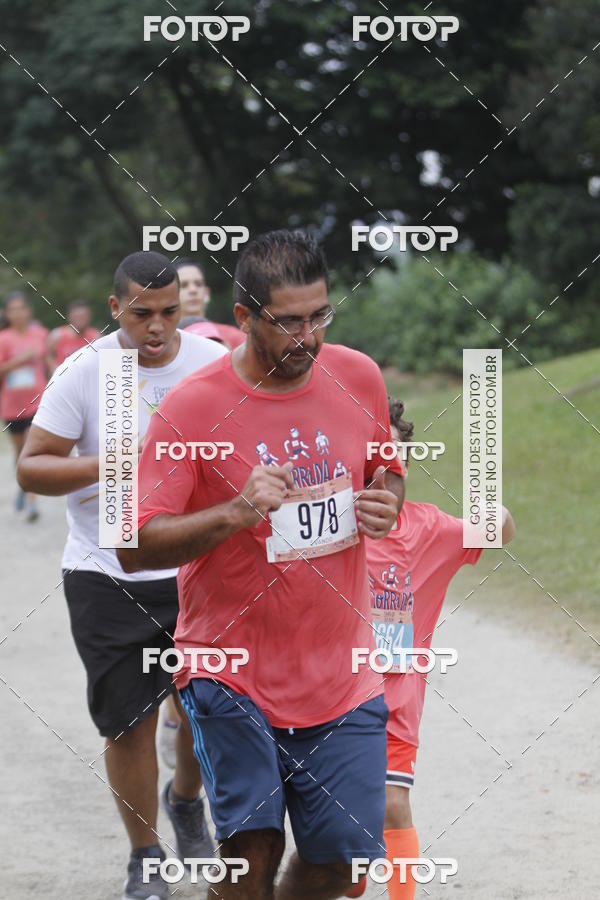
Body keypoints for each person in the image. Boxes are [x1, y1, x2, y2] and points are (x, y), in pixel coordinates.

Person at [117, 229, 406, 899]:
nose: (308, 336)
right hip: (231, 670)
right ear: (244, 317)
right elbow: (134, 541)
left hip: (341, 670)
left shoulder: (358, 373)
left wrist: (386, 501)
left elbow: (386, 468)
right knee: (250, 858)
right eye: (289, 321)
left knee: (340, 866)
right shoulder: (194, 405)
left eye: (320, 315)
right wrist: (236, 512)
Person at [17, 252, 228, 900]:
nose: (157, 327)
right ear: (117, 310)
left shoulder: (213, 367)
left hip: (196, 569)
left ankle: (186, 798)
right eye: (142, 313)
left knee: (204, 709)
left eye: (169, 312)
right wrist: (105, 464)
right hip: (105, 573)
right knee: (128, 722)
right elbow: (31, 468)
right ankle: (147, 855)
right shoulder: (86, 372)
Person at [357, 398, 515, 900]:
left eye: (393, 463)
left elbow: (500, 531)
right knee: (338, 833)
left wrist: (496, 510)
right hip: (322, 696)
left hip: (394, 700)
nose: (381, 477)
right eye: (369, 463)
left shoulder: (427, 529)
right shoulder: (324, 529)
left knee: (391, 803)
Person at [0, 291, 49, 521]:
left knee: (32, 450)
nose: (17, 313)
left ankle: (32, 503)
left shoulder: (40, 334)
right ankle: (23, 485)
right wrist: (20, 360)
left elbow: (48, 360)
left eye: (21, 308)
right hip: (11, 406)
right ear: (8, 314)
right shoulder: (4, 338)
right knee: (20, 453)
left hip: (37, 402)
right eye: (13, 309)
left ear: (28, 310)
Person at [174, 257, 245, 348]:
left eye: (198, 284)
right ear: (170, 296)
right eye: (183, 285)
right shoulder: (163, 341)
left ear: (207, 293)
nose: (193, 290)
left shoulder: (234, 337)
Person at [46, 299, 101, 372]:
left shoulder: (96, 336)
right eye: (77, 317)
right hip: (64, 378)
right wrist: (54, 368)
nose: (80, 320)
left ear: (90, 317)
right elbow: (46, 355)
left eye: (83, 317)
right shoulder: (57, 335)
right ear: (69, 316)